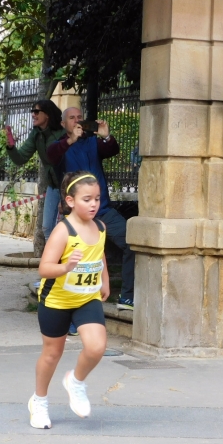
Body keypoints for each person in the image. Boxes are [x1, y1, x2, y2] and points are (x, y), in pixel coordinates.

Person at [29, 171, 110, 429]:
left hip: (87, 298)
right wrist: (66, 268)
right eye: (87, 199)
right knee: (52, 354)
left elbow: (99, 255)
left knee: (96, 347)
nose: (94, 204)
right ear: (71, 200)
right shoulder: (63, 231)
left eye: (97, 198)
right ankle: (39, 401)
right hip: (57, 300)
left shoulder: (100, 227)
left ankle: (76, 381)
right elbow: (44, 268)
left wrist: (105, 279)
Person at [47, 107, 135, 310]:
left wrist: (106, 136)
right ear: (63, 124)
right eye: (72, 118)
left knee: (132, 242)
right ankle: (65, 307)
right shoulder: (59, 146)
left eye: (79, 117)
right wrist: (70, 141)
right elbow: (51, 156)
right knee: (71, 260)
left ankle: (127, 297)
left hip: (103, 212)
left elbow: (112, 149)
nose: (77, 121)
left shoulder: (92, 143)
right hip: (75, 218)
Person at [5, 100, 65, 241]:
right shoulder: (36, 134)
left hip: (70, 186)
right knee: (47, 227)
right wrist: (11, 147)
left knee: (69, 226)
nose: (33, 115)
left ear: (48, 114)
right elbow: (20, 159)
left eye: (36, 112)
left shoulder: (62, 133)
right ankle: (53, 259)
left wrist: (67, 194)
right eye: (32, 111)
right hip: (54, 186)